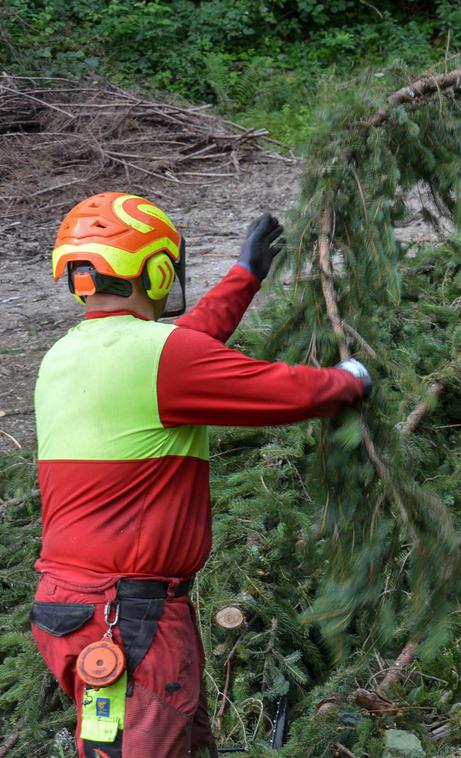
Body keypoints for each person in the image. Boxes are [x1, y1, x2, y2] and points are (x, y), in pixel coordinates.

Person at [29, 192, 371, 757]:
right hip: (128, 617)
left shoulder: (68, 354)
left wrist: (247, 274)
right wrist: (351, 379)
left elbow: (187, 343)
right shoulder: (160, 357)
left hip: (82, 606)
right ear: (159, 269)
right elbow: (280, 391)